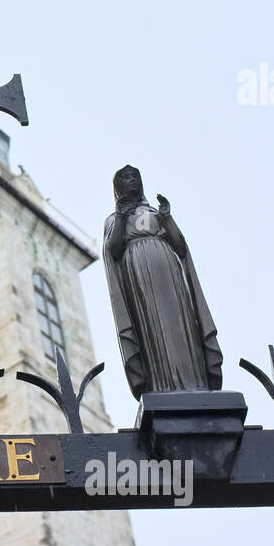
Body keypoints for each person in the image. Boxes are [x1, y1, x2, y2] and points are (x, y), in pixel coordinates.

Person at [102, 165, 222, 398]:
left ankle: (194, 380)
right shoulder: (113, 219)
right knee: (153, 327)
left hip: (169, 271)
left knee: (179, 321)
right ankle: (161, 384)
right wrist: (120, 216)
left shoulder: (156, 214)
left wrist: (167, 217)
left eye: (135, 176)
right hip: (138, 277)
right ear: (118, 188)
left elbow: (179, 246)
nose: (132, 180)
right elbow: (114, 248)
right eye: (125, 178)